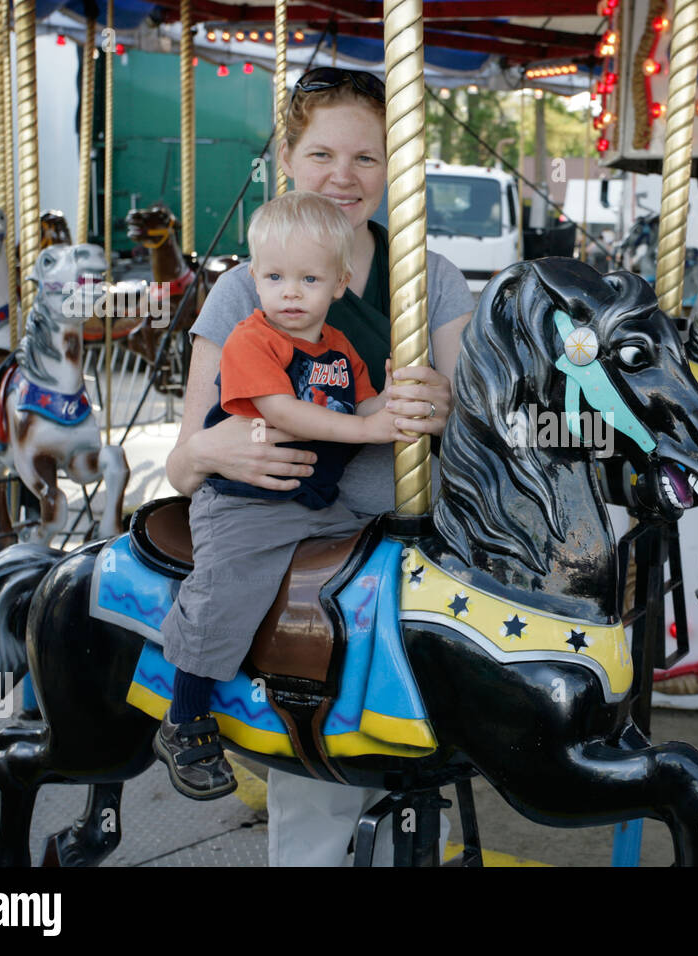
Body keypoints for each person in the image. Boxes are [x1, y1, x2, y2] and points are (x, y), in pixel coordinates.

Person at [165, 68, 474, 860]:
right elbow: (180, 466)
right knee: (320, 766)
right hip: (295, 539)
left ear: (393, 168)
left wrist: (445, 407)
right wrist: (206, 446)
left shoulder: (429, 279)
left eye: (367, 159)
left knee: (426, 747)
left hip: (411, 543)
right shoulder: (245, 290)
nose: (344, 177)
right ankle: (191, 708)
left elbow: (477, 424)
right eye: (323, 155)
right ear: (289, 166)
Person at [154, 191, 405, 799]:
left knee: (383, 564)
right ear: (253, 277)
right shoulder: (252, 338)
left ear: (338, 283)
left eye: (309, 278)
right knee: (228, 589)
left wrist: (391, 399)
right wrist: (370, 427)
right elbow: (281, 412)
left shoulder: (339, 351)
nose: (289, 292)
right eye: (273, 276)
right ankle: (185, 718)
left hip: (316, 505)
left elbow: (361, 402)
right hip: (245, 504)